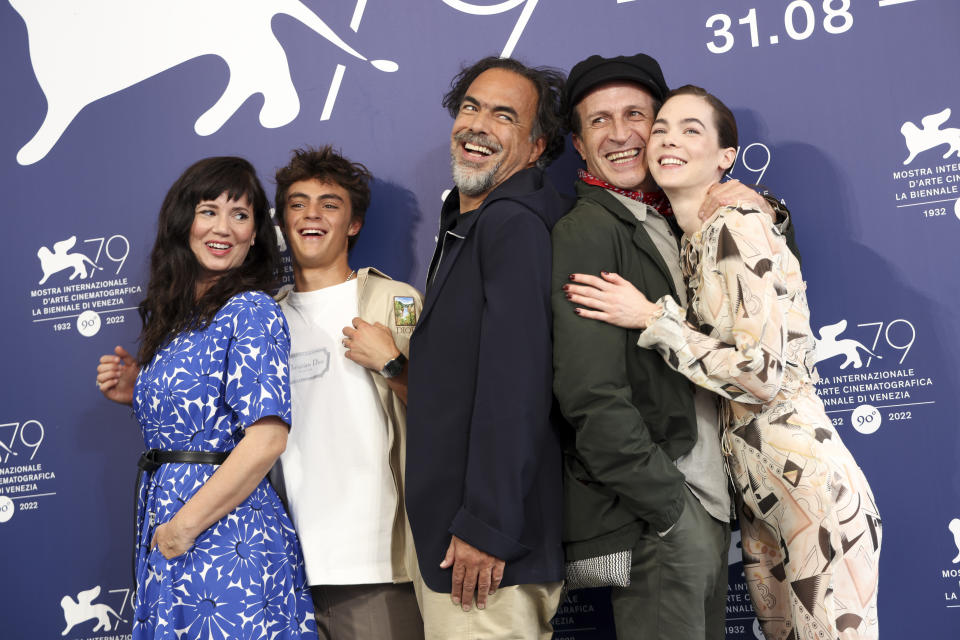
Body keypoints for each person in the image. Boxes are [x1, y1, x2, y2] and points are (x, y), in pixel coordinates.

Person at [565, 85, 881, 639]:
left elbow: (762, 375)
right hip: (757, 498)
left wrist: (652, 320)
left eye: (691, 130)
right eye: (661, 128)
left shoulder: (739, 223)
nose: (667, 139)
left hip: (809, 487)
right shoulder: (695, 240)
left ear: (725, 157)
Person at [551, 53, 797, 640]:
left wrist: (766, 213)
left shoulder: (684, 222)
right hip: (665, 511)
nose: (619, 134)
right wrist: (668, 508)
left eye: (636, 115)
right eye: (597, 122)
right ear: (579, 147)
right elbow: (591, 395)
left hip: (714, 502)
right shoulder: (588, 230)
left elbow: (758, 309)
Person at [95, 157, 316, 639]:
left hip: (226, 536)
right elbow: (201, 414)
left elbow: (266, 441)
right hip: (171, 523)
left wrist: (185, 527)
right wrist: (139, 392)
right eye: (209, 210)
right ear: (184, 221)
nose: (224, 228)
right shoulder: (173, 321)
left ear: (257, 234)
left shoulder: (251, 310)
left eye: (240, 215)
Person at [404, 57, 568, 639]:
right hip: (458, 539)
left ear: (535, 146)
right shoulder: (470, 221)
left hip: (482, 553)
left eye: (504, 116)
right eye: (471, 106)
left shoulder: (512, 223)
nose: (478, 124)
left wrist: (485, 526)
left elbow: (516, 385)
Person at [270, 146, 424, 639]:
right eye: (298, 203)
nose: (312, 214)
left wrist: (392, 364)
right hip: (283, 573)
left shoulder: (394, 301)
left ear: (353, 223)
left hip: (377, 566)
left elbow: (448, 413)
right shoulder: (259, 319)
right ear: (282, 220)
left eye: (329, 203)